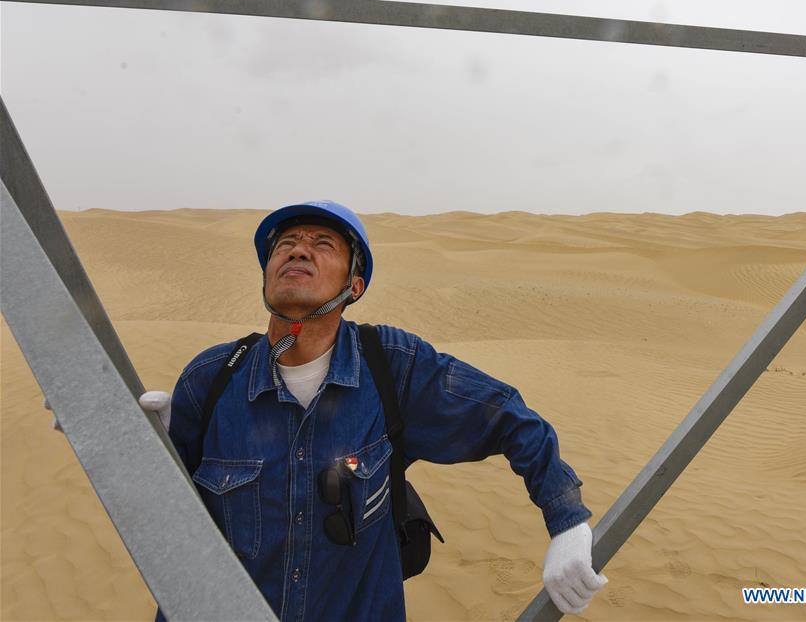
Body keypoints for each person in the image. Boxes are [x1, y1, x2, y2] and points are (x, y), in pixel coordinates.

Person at [140, 200, 608, 621]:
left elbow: (509, 417)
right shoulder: (213, 377)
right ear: (267, 274)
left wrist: (566, 522)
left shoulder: (393, 366)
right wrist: (135, 444)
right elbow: (164, 514)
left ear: (354, 285)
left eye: (322, 244)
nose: (298, 252)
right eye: (286, 244)